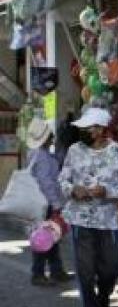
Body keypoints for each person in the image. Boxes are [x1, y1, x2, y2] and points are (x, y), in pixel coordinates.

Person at [58, 108, 118, 307]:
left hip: (108, 221)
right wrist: (73, 190)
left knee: (110, 272)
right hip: (81, 221)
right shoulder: (74, 151)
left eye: (88, 127)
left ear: (101, 129)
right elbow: (63, 179)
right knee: (86, 275)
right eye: (82, 127)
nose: (83, 131)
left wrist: (108, 192)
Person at [25, 118, 72, 286]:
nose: (53, 136)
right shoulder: (41, 156)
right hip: (45, 203)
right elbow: (46, 183)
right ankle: (38, 273)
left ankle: (56, 270)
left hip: (40, 202)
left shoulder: (37, 153)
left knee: (52, 236)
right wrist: (56, 203)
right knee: (43, 237)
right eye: (50, 134)